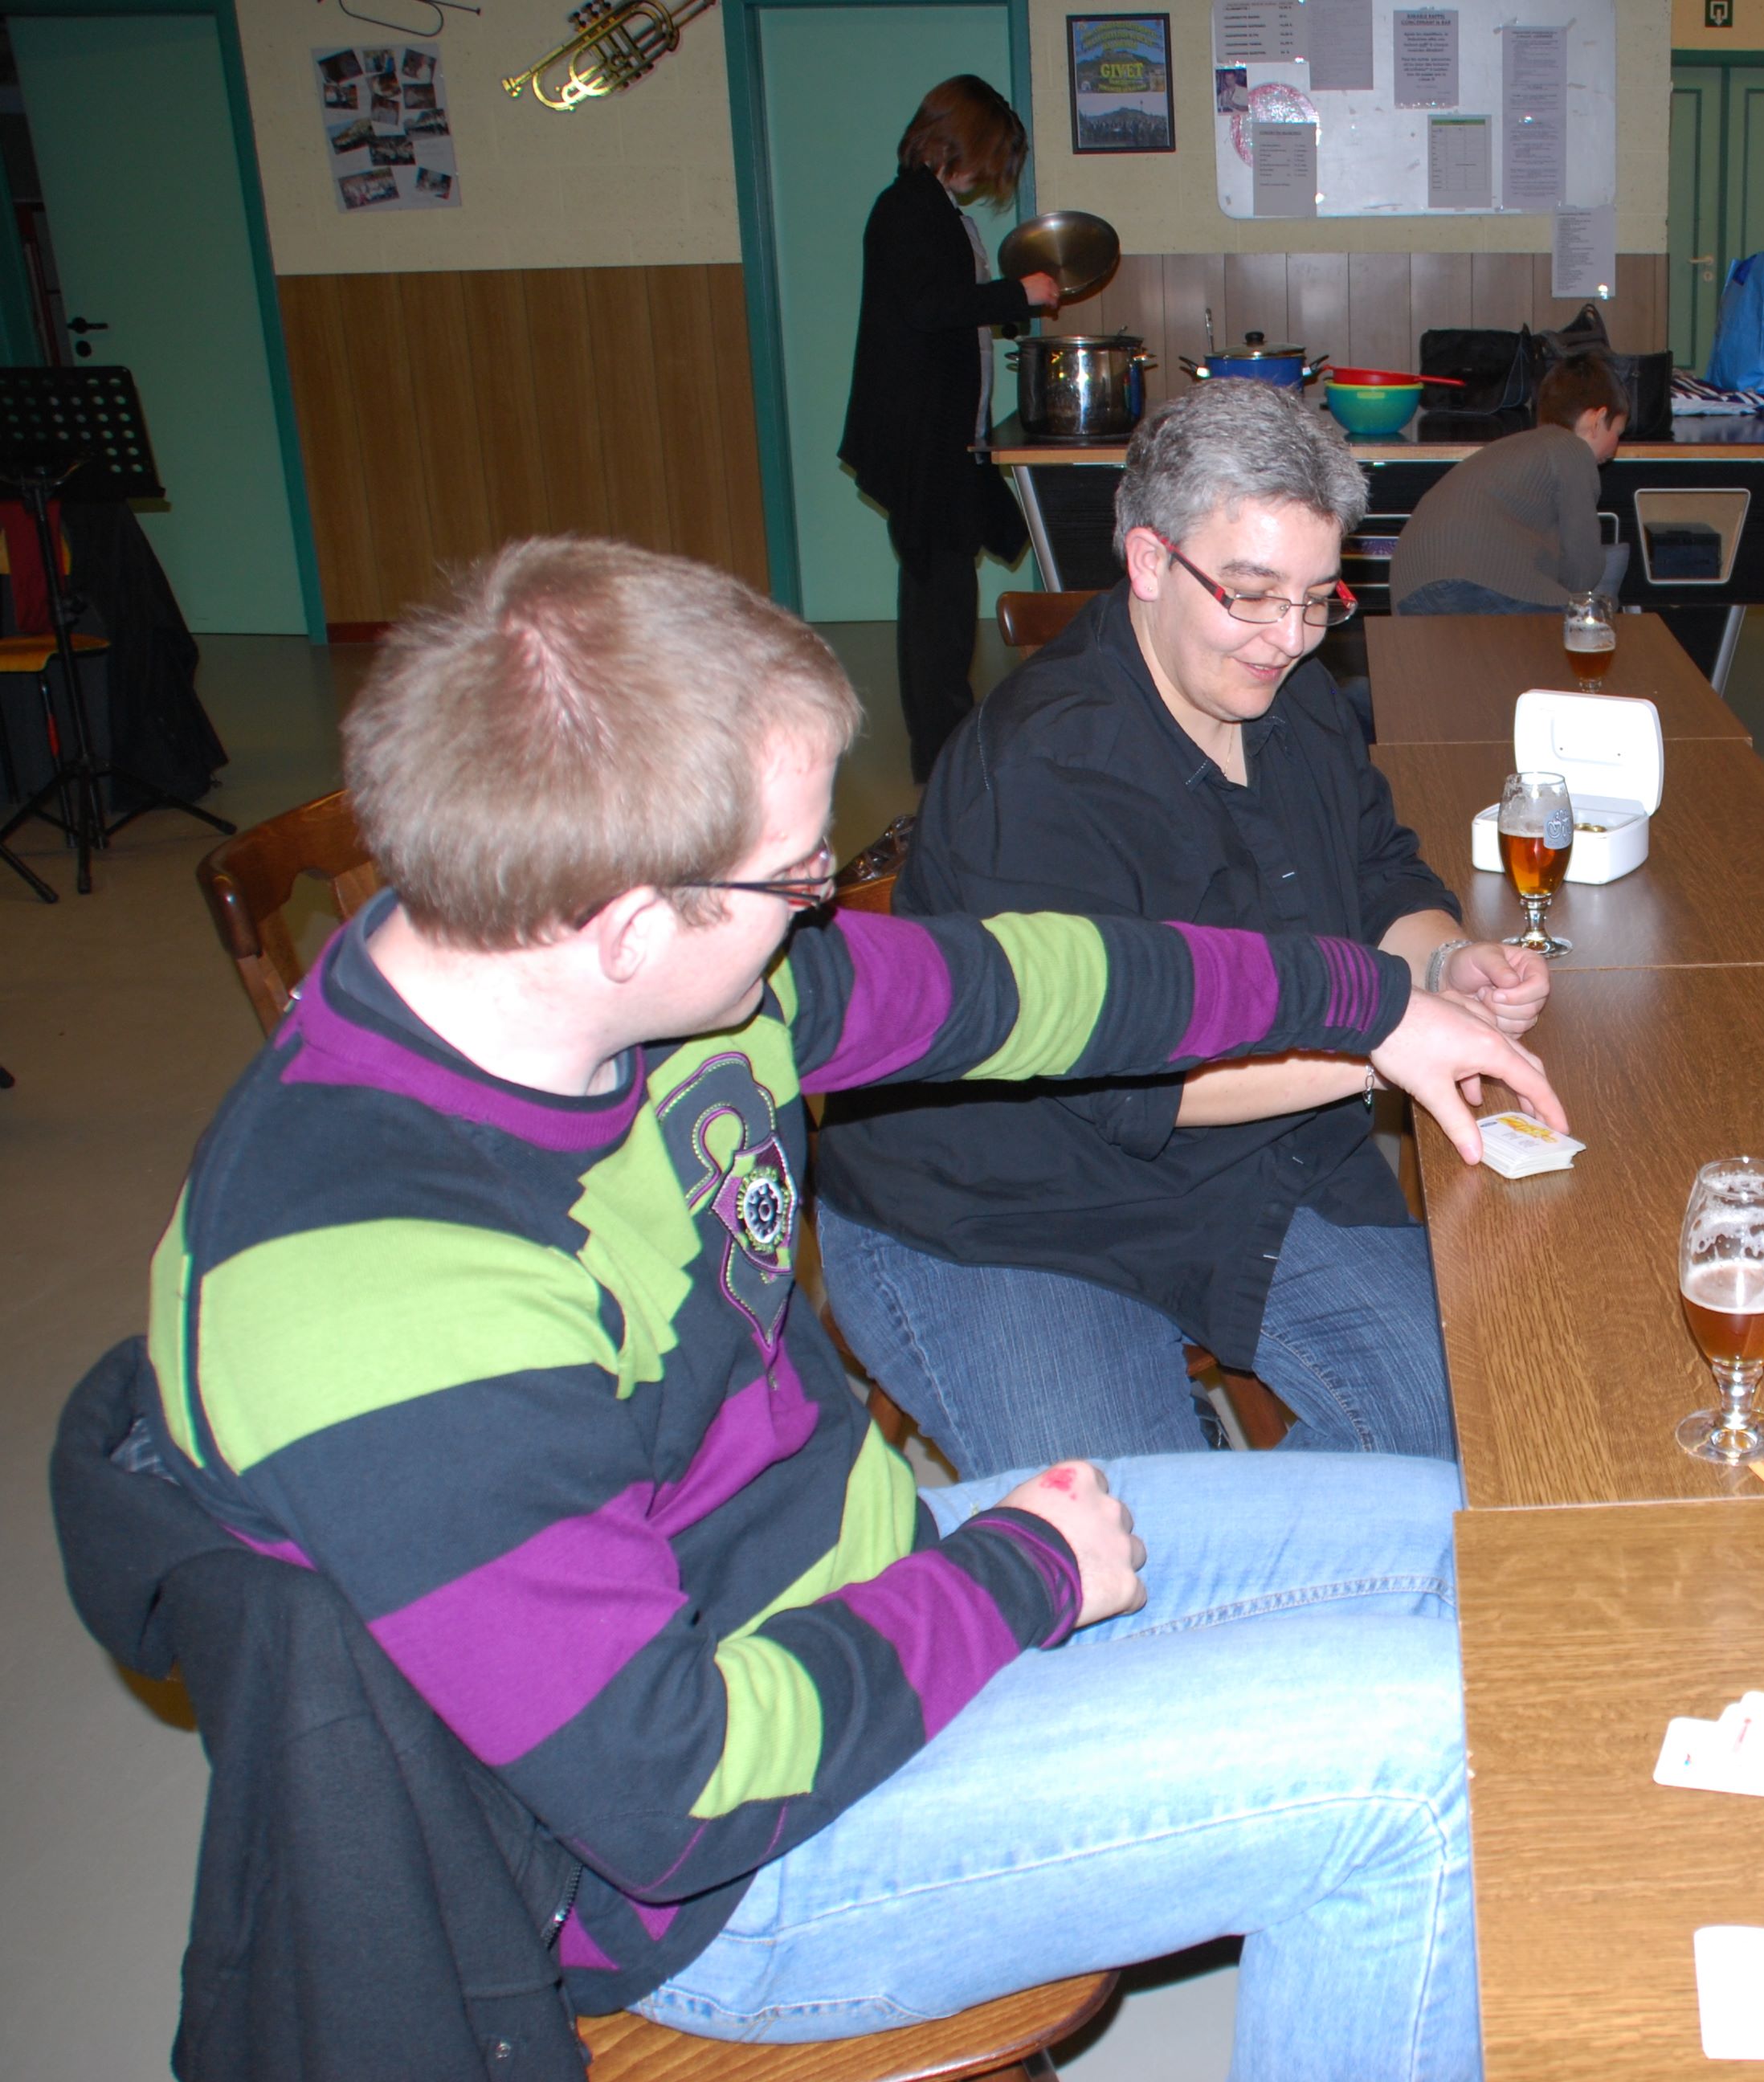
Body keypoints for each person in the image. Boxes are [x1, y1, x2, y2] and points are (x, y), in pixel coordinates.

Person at [133, 534, 1562, 2071]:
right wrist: (1010, 1577)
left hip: (850, 1587)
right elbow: (667, 1786)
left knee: (1474, 1542)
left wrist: (1370, 1004)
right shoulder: (379, 1286)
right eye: (799, 876)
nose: (824, 909)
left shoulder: (636, 999)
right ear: (629, 924)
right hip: (727, 1875)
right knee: (1430, 1753)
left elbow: (1031, 983)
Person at [818, 381, 1543, 1469]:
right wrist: (1384, 1049)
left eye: (1317, 599)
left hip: (1254, 1168)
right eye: (1251, 595)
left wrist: (1441, 960)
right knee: (1130, 1559)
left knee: (1488, 1431)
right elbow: (1124, 1086)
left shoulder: (1286, 691)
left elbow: (1380, 870)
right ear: (1150, 561)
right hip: (1002, 1215)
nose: (1289, 638)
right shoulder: (1047, 763)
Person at [840, 76, 1061, 782]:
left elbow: (939, 306)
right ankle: (941, 756)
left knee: (946, 585)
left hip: (939, 433)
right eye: (990, 159)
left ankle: (947, 741)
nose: (986, 179)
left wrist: (1006, 305)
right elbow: (931, 305)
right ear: (959, 144)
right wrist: (1016, 296)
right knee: (938, 597)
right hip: (919, 436)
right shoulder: (907, 207)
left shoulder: (929, 208)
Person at [1388, 353, 1627, 614]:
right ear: (1596, 420)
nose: (1616, 447)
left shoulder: (1516, 452)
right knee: (1583, 626)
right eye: (1617, 432)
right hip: (1474, 579)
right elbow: (1583, 572)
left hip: (1411, 586)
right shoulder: (1571, 449)